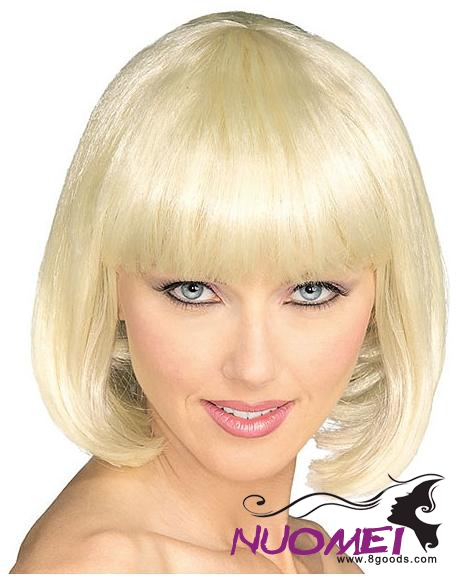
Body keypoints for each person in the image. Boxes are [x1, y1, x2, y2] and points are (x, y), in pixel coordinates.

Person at [9, 9, 447, 574]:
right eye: (194, 290)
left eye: (311, 291)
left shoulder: (319, 556)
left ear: (381, 300)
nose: (253, 368)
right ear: (108, 283)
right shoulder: (101, 564)